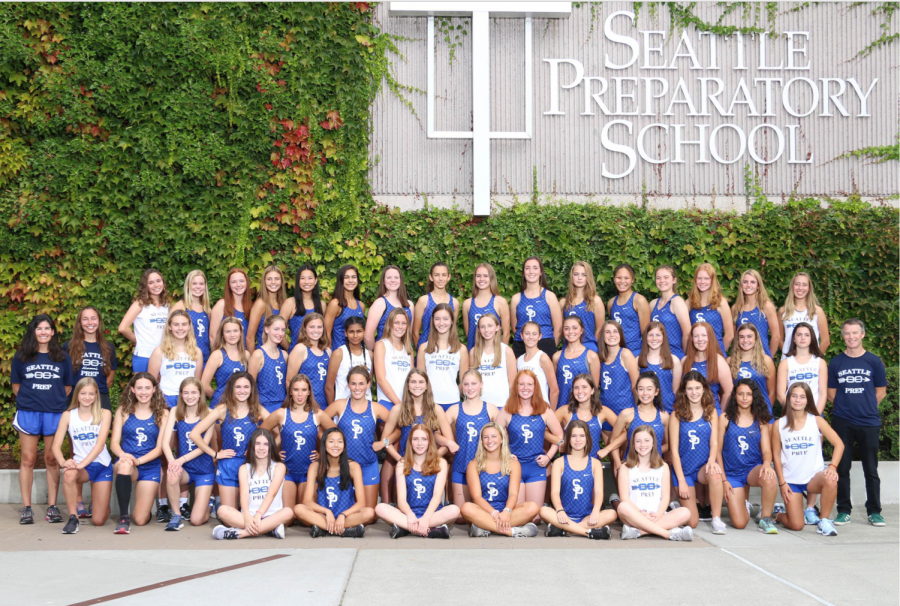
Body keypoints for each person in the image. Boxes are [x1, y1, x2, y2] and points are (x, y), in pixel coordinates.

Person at [11, 314, 74, 525]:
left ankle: (52, 507)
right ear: (33, 331)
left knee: (51, 459)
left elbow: (67, 387)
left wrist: (51, 402)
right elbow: (17, 387)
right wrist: (34, 401)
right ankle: (27, 508)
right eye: (39, 329)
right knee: (27, 459)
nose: (44, 332)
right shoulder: (22, 356)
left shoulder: (62, 357)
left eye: (47, 328)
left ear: (53, 332)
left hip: (54, 413)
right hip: (28, 412)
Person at [827, 318, 887, 527]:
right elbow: (831, 393)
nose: (851, 337)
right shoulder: (836, 363)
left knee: (871, 469)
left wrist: (866, 406)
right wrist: (847, 408)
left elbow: (880, 391)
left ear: (862, 334)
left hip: (869, 422)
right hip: (842, 422)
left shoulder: (874, 361)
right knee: (842, 468)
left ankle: (875, 511)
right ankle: (844, 510)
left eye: (855, 333)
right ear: (842, 336)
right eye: (847, 333)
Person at [260, 374, 335, 524]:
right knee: (287, 519)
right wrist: (272, 454)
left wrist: (323, 454)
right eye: (296, 390)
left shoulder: (317, 415)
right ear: (290, 392)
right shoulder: (281, 414)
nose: (300, 394)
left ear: (309, 392)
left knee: (306, 520)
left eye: (303, 390)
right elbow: (260, 434)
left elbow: (336, 436)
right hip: (287, 471)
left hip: (309, 472)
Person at [772, 382, 844, 535]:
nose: (798, 400)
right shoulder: (779, 424)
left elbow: (839, 444)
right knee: (797, 525)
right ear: (789, 398)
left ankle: (824, 521)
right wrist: (782, 483)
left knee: (831, 479)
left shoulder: (816, 420)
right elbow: (776, 456)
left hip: (813, 478)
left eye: (802, 397)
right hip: (791, 481)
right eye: (794, 396)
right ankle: (778, 514)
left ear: (808, 400)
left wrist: (832, 467)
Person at [190, 372, 268, 510]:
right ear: (231, 389)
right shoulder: (222, 410)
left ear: (252, 389)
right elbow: (194, 434)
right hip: (228, 464)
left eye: (246, 387)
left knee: (250, 512)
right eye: (238, 387)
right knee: (229, 515)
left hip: (251, 464)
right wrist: (215, 454)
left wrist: (262, 450)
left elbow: (279, 433)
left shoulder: (257, 410)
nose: (242, 391)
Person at [381, 369, 457, 505]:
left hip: (429, 464)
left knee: (429, 503)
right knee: (406, 504)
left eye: (421, 382)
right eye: (413, 382)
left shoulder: (436, 409)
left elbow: (449, 442)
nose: (417, 385)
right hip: (407, 464)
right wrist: (400, 459)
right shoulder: (398, 409)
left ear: (427, 385)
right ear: (408, 385)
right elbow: (385, 441)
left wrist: (433, 457)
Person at [496, 370, 565, 517]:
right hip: (515, 466)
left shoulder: (544, 410)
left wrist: (549, 457)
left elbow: (559, 435)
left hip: (536, 466)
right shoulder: (507, 410)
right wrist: (506, 455)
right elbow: (495, 437)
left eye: (529, 384)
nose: (525, 388)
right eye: (521, 384)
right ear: (516, 386)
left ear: (535, 387)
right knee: (518, 514)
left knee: (535, 518)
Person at [323, 367, 391, 512]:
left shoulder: (375, 408)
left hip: (367, 465)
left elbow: (398, 426)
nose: (357, 388)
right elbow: (317, 422)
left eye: (361, 384)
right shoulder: (340, 405)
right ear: (348, 385)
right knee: (340, 509)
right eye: (353, 384)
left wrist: (383, 442)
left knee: (370, 514)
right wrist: (327, 444)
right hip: (343, 466)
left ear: (368, 385)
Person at [375, 425, 461, 538]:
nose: (419, 443)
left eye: (424, 439)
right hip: (408, 513)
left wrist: (426, 518)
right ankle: (430, 531)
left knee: (454, 510)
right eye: (415, 439)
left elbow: (437, 496)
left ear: (430, 441)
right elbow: (401, 499)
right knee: (380, 508)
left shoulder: (440, 463)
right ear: (410, 442)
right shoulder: (402, 463)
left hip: (432, 513)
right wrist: (410, 515)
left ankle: (407, 528)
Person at [109, 373, 169, 534]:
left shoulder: (163, 413)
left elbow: (160, 448)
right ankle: (123, 518)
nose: (144, 392)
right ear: (133, 390)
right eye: (140, 388)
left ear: (154, 390)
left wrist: (139, 461)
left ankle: (143, 509)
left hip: (149, 466)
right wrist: (123, 455)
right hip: (127, 463)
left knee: (141, 520)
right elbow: (114, 442)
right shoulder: (124, 411)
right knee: (124, 466)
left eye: (148, 388)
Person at [717, 379, 779, 533]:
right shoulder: (725, 418)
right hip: (732, 474)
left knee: (770, 477)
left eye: (748, 394)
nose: (744, 398)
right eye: (740, 394)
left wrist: (766, 464)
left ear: (754, 397)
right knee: (740, 523)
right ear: (735, 396)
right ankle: (743, 503)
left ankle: (766, 519)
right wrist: (724, 480)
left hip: (752, 470)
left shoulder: (761, 420)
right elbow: (717, 451)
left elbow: (766, 450)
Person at [51, 378, 112, 533]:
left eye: (91, 393)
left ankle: (104, 508)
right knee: (69, 474)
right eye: (83, 393)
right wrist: (64, 463)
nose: (87, 397)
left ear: (97, 395)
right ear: (77, 394)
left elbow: (99, 446)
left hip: (102, 466)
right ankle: (73, 517)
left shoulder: (105, 413)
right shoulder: (68, 415)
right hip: (82, 467)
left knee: (98, 520)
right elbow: (55, 446)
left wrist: (81, 464)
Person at [212, 428, 294, 540]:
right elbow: (244, 493)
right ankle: (269, 529)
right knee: (222, 510)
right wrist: (246, 516)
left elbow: (272, 493)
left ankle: (239, 534)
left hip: (271, 516)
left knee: (288, 512)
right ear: (252, 446)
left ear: (271, 447)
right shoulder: (244, 468)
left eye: (266, 444)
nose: (261, 448)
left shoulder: (279, 467)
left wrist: (259, 515)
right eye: (258, 444)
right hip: (248, 517)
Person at [460, 423, 540, 537]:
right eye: (485, 437)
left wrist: (506, 511)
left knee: (533, 507)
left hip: (506, 510)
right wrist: (494, 513)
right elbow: (476, 497)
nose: (489, 440)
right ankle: (512, 531)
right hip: (484, 511)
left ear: (501, 439)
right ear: (481, 441)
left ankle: (484, 527)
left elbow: (513, 493)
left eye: (494, 436)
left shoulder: (513, 463)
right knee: (466, 508)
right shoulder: (474, 465)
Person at [539, 420, 616, 539]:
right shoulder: (560, 462)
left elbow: (599, 492)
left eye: (581, 436)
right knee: (544, 510)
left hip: (587, 516)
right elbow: (554, 492)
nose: (578, 440)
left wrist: (596, 511)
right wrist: (559, 510)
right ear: (568, 438)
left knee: (611, 514)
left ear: (587, 438)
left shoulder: (595, 463)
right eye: (574, 436)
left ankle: (566, 530)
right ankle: (588, 532)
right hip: (564, 515)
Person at [668, 372, 725, 533]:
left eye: (698, 388)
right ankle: (675, 506)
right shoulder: (677, 415)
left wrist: (712, 461)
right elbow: (674, 451)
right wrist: (681, 481)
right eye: (690, 388)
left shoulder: (711, 411)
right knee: (692, 523)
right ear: (684, 391)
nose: (694, 392)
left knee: (715, 473)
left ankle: (716, 519)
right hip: (684, 471)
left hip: (702, 468)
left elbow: (714, 443)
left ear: (704, 389)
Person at [293, 427, 375, 537]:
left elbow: (361, 503)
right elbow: (307, 501)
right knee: (298, 509)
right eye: (331, 441)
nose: (336, 445)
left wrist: (343, 515)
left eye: (340, 442)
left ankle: (324, 529)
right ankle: (345, 531)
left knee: (369, 512)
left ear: (344, 445)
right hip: (324, 516)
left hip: (346, 516)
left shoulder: (353, 466)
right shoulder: (315, 467)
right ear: (324, 445)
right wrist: (327, 512)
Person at [616, 425, 692, 541]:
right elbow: (625, 498)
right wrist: (641, 513)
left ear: (653, 444)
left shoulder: (663, 467)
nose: (642, 445)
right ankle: (667, 534)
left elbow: (665, 497)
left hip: (657, 515)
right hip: (634, 516)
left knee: (685, 512)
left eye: (647, 441)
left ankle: (638, 532)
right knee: (622, 507)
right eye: (638, 441)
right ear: (633, 444)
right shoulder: (625, 468)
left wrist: (658, 514)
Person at [161, 378, 215, 530]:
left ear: (200, 394)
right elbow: (165, 443)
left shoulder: (209, 413)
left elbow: (203, 446)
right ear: (181, 395)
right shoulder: (175, 411)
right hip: (185, 469)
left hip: (204, 470)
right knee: (172, 473)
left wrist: (180, 460)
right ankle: (176, 515)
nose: (189, 396)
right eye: (185, 393)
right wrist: (172, 461)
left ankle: (209, 504)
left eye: (193, 392)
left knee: (197, 520)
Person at [446, 370, 500, 510]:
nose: (470, 388)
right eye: (466, 384)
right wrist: (448, 442)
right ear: (462, 386)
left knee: (483, 510)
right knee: (461, 516)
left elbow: (503, 436)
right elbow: (435, 433)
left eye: (474, 384)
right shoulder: (454, 409)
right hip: (461, 465)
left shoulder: (490, 409)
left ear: (481, 384)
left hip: (485, 468)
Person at [63, 306, 117, 411]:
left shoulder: (108, 347)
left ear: (99, 321)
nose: (90, 322)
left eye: (93, 318)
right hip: (75, 397)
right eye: (85, 319)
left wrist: (94, 392)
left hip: (100, 397)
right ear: (80, 323)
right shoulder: (69, 346)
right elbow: (63, 376)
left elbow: (110, 379)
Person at [148, 310, 204, 408]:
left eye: (184, 324)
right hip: (166, 399)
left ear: (189, 326)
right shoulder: (159, 351)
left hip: (189, 399)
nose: (180, 328)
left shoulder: (197, 352)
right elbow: (151, 382)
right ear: (169, 326)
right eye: (176, 324)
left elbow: (196, 382)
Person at [610, 372, 669, 464]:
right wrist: (618, 464)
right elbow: (613, 440)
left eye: (649, 389)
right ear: (636, 391)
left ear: (656, 391)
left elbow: (670, 444)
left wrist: (649, 451)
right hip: (631, 465)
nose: (645, 393)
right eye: (641, 389)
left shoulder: (664, 416)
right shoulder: (627, 414)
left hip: (655, 466)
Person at [118, 268, 170, 372]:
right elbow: (123, 328)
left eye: (158, 281)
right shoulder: (140, 303)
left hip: (163, 355)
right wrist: (138, 340)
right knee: (143, 387)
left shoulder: (167, 305)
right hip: (144, 355)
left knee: (160, 388)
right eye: (151, 282)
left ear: (163, 283)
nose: (156, 285)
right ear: (146, 286)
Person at [556, 374, 618, 460]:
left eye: (584, 387)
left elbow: (626, 431)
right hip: (568, 465)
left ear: (592, 390)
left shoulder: (602, 411)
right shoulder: (565, 411)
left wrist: (608, 449)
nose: (580, 391)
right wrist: (559, 442)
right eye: (576, 388)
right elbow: (543, 429)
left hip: (593, 465)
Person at [510, 257, 562, 359]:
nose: (531, 271)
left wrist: (550, 346)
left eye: (535, 268)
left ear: (541, 272)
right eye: (527, 268)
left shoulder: (549, 296)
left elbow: (558, 328)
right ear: (523, 272)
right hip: (521, 345)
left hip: (545, 343)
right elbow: (515, 328)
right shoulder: (516, 298)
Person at [419, 303, 468, 412]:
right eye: (437, 319)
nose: (441, 323)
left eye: (445, 319)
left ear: (451, 321)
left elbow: (464, 382)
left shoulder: (461, 349)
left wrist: (453, 394)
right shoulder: (424, 348)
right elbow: (420, 380)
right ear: (432, 321)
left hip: (453, 402)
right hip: (430, 403)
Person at [598, 320, 639, 436]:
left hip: (624, 409)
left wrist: (636, 409)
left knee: (626, 451)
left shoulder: (625, 354)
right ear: (602, 336)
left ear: (620, 335)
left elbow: (635, 385)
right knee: (611, 451)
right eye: (608, 332)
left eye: (615, 331)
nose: (612, 335)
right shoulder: (600, 358)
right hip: (605, 410)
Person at [777, 322, 827, 413]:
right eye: (799, 334)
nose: (803, 338)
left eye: (807, 335)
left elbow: (823, 393)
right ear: (794, 339)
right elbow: (780, 394)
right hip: (792, 414)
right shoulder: (785, 363)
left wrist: (816, 415)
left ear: (811, 339)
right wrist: (793, 413)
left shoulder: (820, 363)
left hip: (815, 412)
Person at [553, 316, 600, 411]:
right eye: (566, 328)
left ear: (581, 330)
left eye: (575, 328)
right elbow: (553, 387)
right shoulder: (557, 356)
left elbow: (594, 387)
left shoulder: (591, 356)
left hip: (583, 408)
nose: (571, 331)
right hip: (561, 406)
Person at [682, 322, 731, 414]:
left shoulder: (718, 361)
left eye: (704, 335)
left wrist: (721, 415)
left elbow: (728, 392)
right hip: (688, 413)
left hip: (711, 413)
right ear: (692, 339)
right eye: (696, 336)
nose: (700, 339)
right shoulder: (685, 361)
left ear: (710, 338)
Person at [728, 324, 776, 418]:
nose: (745, 340)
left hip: (762, 412)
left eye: (749, 336)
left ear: (756, 339)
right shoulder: (730, 362)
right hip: (738, 414)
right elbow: (727, 392)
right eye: (742, 337)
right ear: (737, 340)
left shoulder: (766, 361)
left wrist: (765, 411)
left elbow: (772, 392)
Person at [470, 313, 516, 407]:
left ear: (497, 327)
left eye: (490, 326)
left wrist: (512, 406)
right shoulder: (473, 352)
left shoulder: (507, 351)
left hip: (502, 404)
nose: (486, 330)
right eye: (482, 327)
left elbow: (513, 383)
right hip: (480, 405)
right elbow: (471, 382)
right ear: (478, 330)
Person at [202, 317, 249, 408]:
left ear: (240, 333)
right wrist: (221, 398)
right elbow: (204, 385)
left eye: (235, 331)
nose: (232, 334)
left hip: (241, 406)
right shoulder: (217, 355)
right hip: (221, 405)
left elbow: (251, 383)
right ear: (223, 334)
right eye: (228, 331)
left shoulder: (246, 355)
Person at [286, 313, 331, 408]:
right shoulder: (300, 349)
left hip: (325, 404)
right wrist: (298, 404)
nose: (316, 330)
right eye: (312, 327)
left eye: (319, 327)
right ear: (305, 329)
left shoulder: (328, 351)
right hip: (306, 404)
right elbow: (289, 381)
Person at [732, 269, 781, 357]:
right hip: (742, 358)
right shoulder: (736, 308)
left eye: (753, 282)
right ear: (741, 285)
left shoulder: (766, 306)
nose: (748, 285)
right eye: (745, 282)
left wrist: (769, 358)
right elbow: (735, 338)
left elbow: (776, 336)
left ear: (758, 285)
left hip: (762, 356)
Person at [365, 265, 414, 350]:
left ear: (401, 280)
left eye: (396, 277)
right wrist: (375, 355)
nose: (393, 280)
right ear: (383, 281)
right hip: (384, 356)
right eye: (389, 277)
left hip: (403, 357)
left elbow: (409, 334)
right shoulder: (380, 303)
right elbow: (368, 336)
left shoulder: (409, 305)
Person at [779, 271, 830, 355]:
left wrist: (815, 358)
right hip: (789, 362)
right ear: (792, 286)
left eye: (804, 285)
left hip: (811, 364)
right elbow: (779, 339)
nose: (800, 288)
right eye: (797, 284)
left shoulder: (817, 311)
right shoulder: (783, 311)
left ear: (809, 288)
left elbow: (826, 341)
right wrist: (787, 355)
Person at [559, 261, 604, 353]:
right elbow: (560, 329)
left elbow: (600, 329)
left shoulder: (595, 301)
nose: (580, 278)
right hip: (569, 347)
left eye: (584, 275)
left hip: (588, 346)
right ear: (572, 277)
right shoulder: (564, 302)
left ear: (589, 277)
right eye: (576, 274)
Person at [462, 262, 510, 349]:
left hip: (494, 354)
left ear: (491, 278)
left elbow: (506, 333)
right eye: (478, 276)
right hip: (473, 352)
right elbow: (468, 334)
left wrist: (501, 354)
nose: (481, 279)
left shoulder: (500, 302)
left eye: (485, 276)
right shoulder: (467, 304)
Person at [374, 308, 414, 412]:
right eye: (396, 323)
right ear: (389, 324)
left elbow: (412, 379)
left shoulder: (409, 349)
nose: (400, 327)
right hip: (386, 401)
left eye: (404, 323)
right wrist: (399, 404)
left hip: (406, 403)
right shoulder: (381, 345)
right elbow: (381, 379)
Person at [688, 264, 734, 354]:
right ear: (695, 280)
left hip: (716, 353)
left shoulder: (721, 303)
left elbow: (729, 335)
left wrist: (719, 352)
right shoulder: (689, 303)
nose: (702, 281)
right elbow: (685, 333)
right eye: (699, 278)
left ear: (712, 280)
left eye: (706, 278)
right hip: (695, 354)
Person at [413, 262, 460, 350]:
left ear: (448, 277)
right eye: (437, 275)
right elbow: (415, 332)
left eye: (444, 275)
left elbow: (452, 330)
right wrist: (421, 352)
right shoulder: (424, 301)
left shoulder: (454, 303)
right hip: (426, 348)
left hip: (446, 351)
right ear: (431, 277)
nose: (441, 278)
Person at [325, 316, 372, 403]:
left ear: (364, 332)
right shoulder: (339, 353)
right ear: (345, 333)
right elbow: (329, 387)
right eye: (351, 332)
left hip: (366, 408)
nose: (355, 335)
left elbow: (369, 383)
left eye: (359, 331)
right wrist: (334, 411)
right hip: (343, 408)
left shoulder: (370, 355)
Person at [607, 263, 650, 357]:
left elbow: (646, 333)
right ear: (614, 279)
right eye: (619, 277)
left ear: (632, 280)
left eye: (626, 278)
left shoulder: (639, 300)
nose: (622, 281)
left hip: (635, 352)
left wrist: (644, 356)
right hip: (616, 352)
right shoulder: (611, 303)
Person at [170, 269, 213, 365]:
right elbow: (168, 331)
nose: (198, 287)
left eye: (201, 284)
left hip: (204, 358)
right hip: (185, 358)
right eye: (194, 283)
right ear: (188, 286)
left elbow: (211, 336)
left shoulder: (208, 310)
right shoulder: (181, 306)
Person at [637, 322, 681, 413]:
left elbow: (676, 390)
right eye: (651, 335)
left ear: (663, 337)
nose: (654, 339)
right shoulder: (638, 360)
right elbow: (636, 389)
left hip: (668, 409)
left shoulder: (674, 360)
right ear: (645, 337)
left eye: (658, 335)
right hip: (646, 411)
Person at [648, 265, 690, 359]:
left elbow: (687, 334)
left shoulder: (677, 302)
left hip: (674, 354)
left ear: (674, 280)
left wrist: (685, 357)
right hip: (656, 356)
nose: (662, 280)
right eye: (658, 278)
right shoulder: (653, 304)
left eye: (666, 277)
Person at [249, 315, 288, 413]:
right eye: (276, 329)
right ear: (266, 329)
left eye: (283, 330)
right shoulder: (258, 354)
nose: (280, 333)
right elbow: (250, 385)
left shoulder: (284, 355)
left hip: (284, 406)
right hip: (265, 407)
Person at [283, 265, 325, 352]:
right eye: (302, 278)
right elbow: (278, 331)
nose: (306, 282)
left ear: (315, 280)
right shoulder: (290, 303)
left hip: (317, 355)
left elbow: (325, 333)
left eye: (310, 278)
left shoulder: (322, 305)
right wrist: (291, 350)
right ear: (298, 281)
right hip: (296, 355)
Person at [515, 322, 559, 407]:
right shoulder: (518, 360)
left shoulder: (543, 358)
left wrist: (552, 414)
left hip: (541, 407)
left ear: (540, 337)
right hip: (524, 409)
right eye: (527, 333)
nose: (531, 337)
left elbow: (554, 390)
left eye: (534, 334)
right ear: (521, 336)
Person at [324, 264, 366, 351]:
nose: (350, 280)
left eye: (353, 277)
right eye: (346, 277)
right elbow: (326, 332)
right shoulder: (336, 304)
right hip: (339, 354)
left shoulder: (361, 305)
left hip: (357, 355)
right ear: (341, 280)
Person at [248, 265, 287, 354]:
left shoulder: (283, 304)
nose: (273, 282)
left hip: (280, 354)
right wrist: (252, 360)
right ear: (264, 282)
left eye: (277, 279)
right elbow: (250, 337)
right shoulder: (261, 304)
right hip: (263, 354)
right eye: (269, 279)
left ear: (281, 282)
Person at [210, 268, 252, 347]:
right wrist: (217, 356)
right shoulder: (222, 304)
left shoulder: (250, 306)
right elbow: (213, 336)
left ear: (246, 283)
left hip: (244, 355)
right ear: (229, 285)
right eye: (234, 282)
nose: (238, 285)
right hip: (225, 355)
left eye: (241, 281)